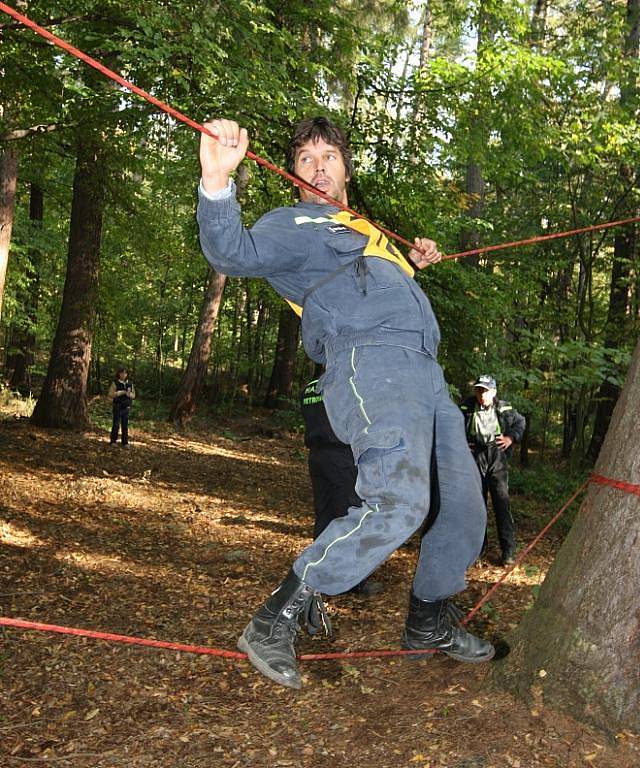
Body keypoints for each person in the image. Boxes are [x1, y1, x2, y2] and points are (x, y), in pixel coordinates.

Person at [197, 116, 494, 689]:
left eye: (328, 155)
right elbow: (229, 252)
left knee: (463, 506)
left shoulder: (368, 230)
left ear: (346, 169)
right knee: (399, 501)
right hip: (369, 361)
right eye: (305, 159)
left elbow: (379, 276)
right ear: (294, 175)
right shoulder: (293, 223)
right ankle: (277, 615)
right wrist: (216, 182)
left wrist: (416, 257)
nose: (317, 167)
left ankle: (428, 621)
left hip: (427, 372)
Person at [300, 378, 383, 596]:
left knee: (325, 514)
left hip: (317, 456)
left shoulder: (310, 386)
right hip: (342, 456)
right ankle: (353, 580)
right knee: (351, 516)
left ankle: (319, 574)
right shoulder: (346, 384)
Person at [460, 375, 526, 566]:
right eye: (479, 390)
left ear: (494, 392)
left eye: (486, 391)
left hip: (497, 457)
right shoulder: (466, 406)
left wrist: (510, 438)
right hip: (475, 458)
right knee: (477, 507)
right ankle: (478, 551)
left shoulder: (504, 408)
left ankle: (508, 552)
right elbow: (453, 426)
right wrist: (462, 443)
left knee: (501, 504)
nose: (482, 395)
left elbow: (520, 423)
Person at [108, 367, 135, 446]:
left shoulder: (130, 384)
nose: (123, 375)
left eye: (125, 373)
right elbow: (110, 394)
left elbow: (134, 395)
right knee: (116, 424)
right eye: (122, 373)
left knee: (125, 425)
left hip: (126, 407)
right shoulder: (115, 383)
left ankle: (125, 442)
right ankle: (113, 441)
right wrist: (119, 393)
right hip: (117, 406)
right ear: (119, 374)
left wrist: (129, 394)